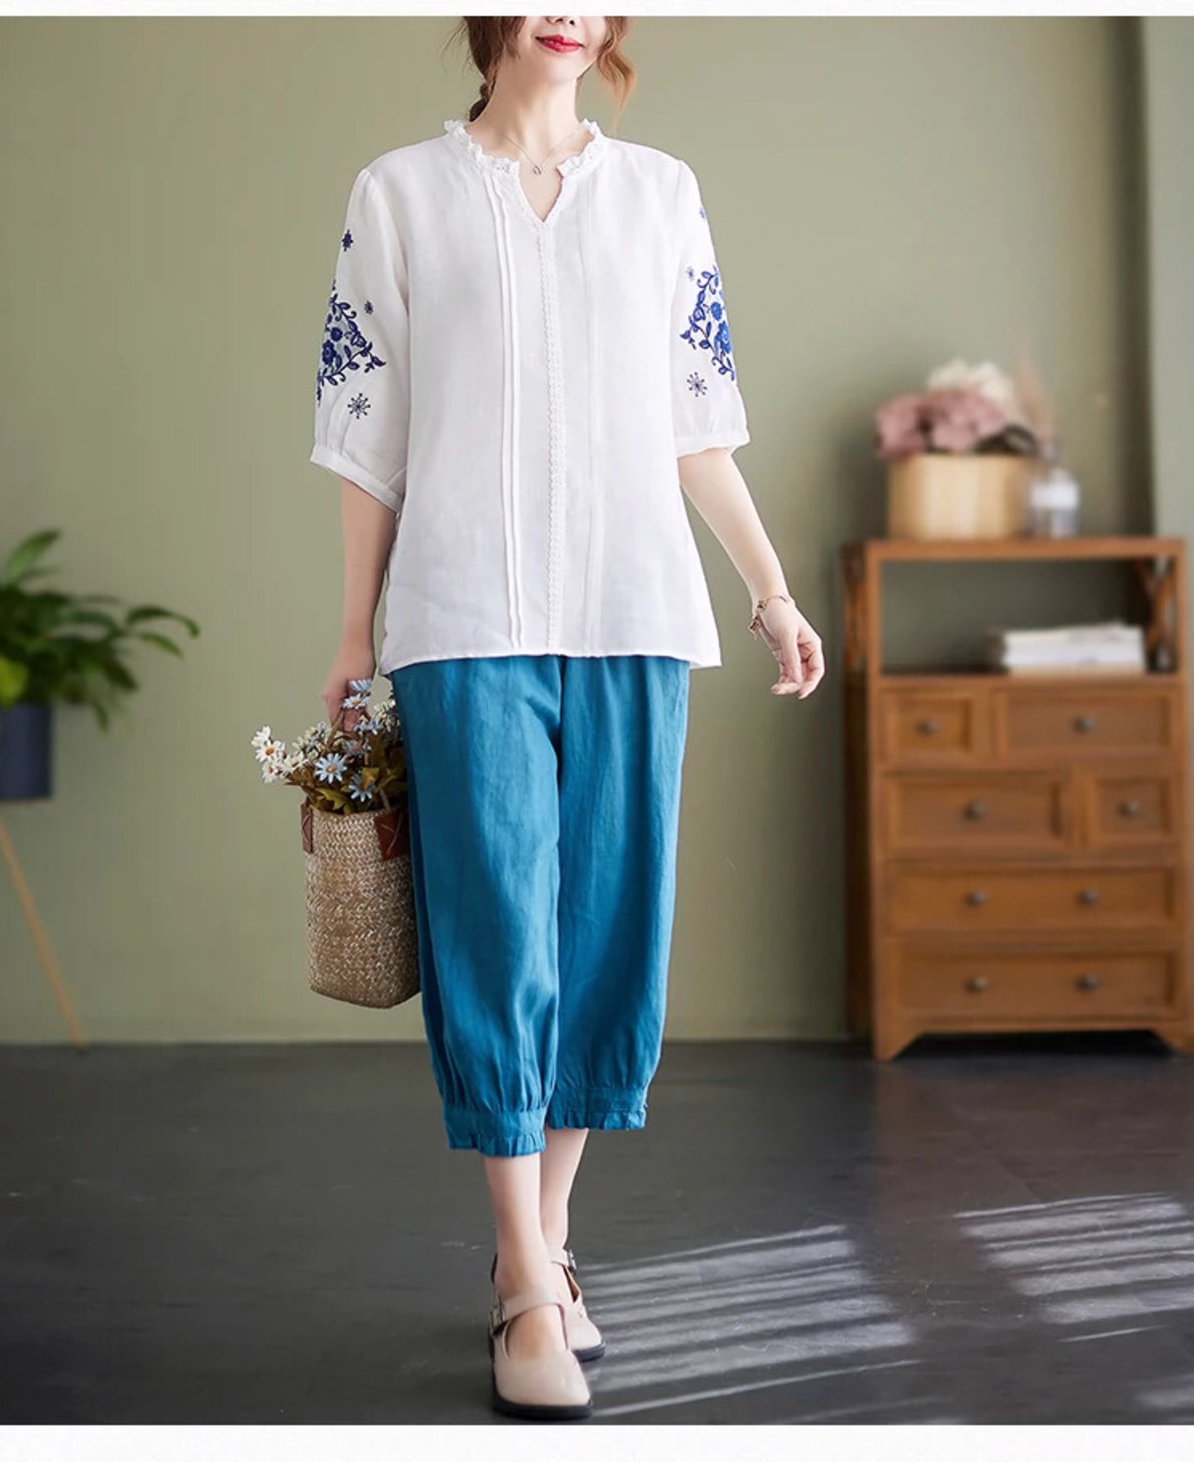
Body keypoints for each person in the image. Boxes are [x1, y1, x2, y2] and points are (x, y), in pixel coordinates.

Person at [312, 15, 824, 1421]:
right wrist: (354, 632)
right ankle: (531, 1291)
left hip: (635, 610)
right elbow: (367, 433)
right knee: (494, 932)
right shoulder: (399, 193)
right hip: (461, 618)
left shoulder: (661, 193)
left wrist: (771, 591)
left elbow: (696, 420)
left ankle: (536, 1250)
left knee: (607, 931)